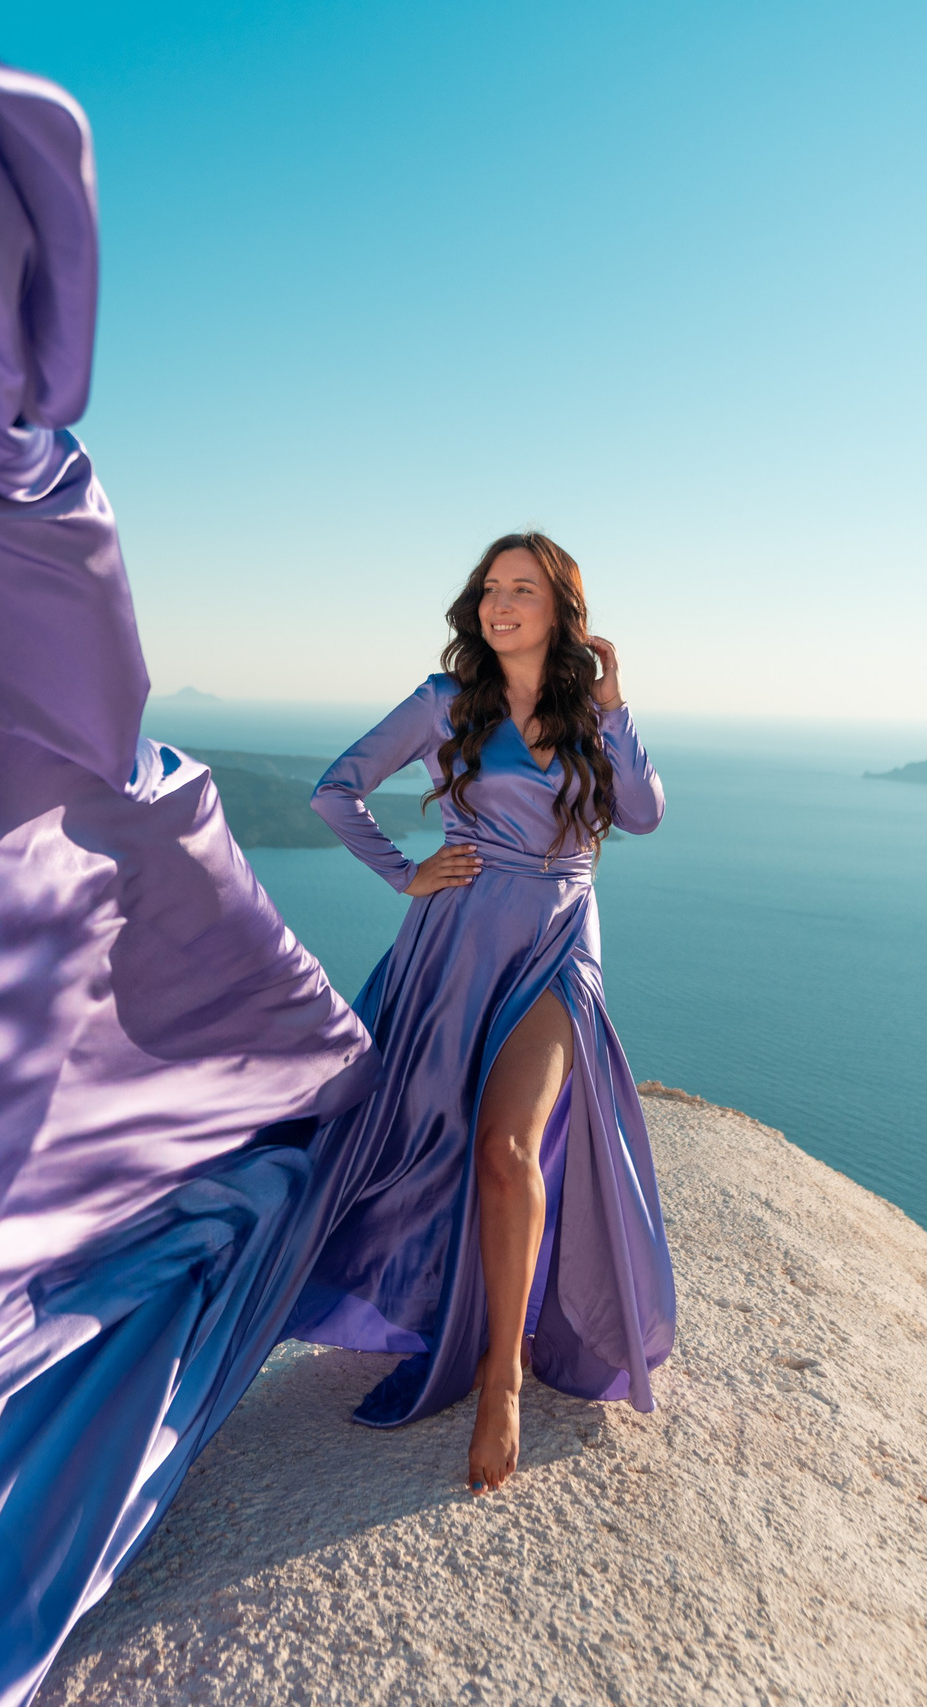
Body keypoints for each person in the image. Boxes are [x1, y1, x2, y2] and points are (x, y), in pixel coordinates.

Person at [291, 532, 678, 1493]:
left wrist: (618, 705)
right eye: (492, 589)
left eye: (525, 589)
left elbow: (644, 814)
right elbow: (334, 791)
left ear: (561, 611)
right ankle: (443, 1318)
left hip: (559, 944)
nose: (503, 604)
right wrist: (406, 873)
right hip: (455, 945)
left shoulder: (591, 712)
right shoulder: (441, 701)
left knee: (509, 1146)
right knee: (433, 1142)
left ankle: (500, 1372)